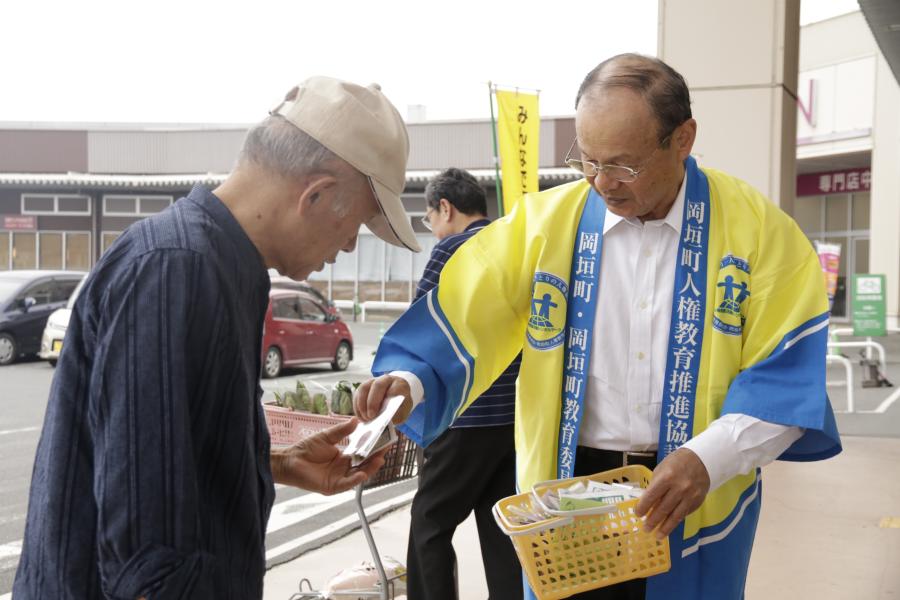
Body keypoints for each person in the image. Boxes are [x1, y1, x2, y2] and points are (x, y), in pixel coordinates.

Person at [355, 54, 841, 600]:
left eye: (624, 166)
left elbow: (785, 379)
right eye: (588, 160)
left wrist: (709, 458)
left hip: (695, 491)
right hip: (567, 499)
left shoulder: (758, 232)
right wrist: (410, 381)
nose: (602, 183)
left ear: (683, 139)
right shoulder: (544, 226)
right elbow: (468, 311)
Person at [13, 76, 419, 599]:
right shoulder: (178, 269)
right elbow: (146, 552)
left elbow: (172, 450)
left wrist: (274, 463)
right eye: (358, 223)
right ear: (315, 194)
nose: (346, 245)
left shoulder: (218, 266)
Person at [399, 168, 522, 600]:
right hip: (512, 419)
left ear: (445, 208)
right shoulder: (516, 245)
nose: (433, 229)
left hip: (465, 416)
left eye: (431, 218)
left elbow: (421, 331)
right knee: (502, 530)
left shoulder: (452, 250)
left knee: (429, 525)